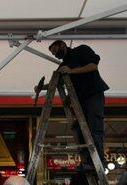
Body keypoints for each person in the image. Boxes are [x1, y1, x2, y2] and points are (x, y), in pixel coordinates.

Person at [44, 40, 109, 169]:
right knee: (80, 130)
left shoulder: (81, 50)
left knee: (94, 127)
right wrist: (41, 87)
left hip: (93, 93)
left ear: (62, 45)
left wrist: (71, 71)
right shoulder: (64, 65)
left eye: (55, 51)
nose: (55, 55)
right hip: (80, 99)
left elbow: (93, 66)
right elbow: (56, 82)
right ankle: (87, 161)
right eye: (53, 54)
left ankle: (98, 161)